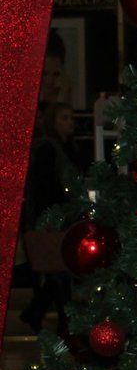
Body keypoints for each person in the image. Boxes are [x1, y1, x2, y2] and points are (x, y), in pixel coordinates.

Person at [20, 100, 78, 337]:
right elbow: (44, 189)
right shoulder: (48, 148)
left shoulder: (64, 148)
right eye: (64, 118)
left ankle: (37, 312)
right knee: (58, 272)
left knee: (59, 272)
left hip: (59, 217)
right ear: (53, 122)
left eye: (71, 118)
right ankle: (62, 322)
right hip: (51, 219)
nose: (70, 122)